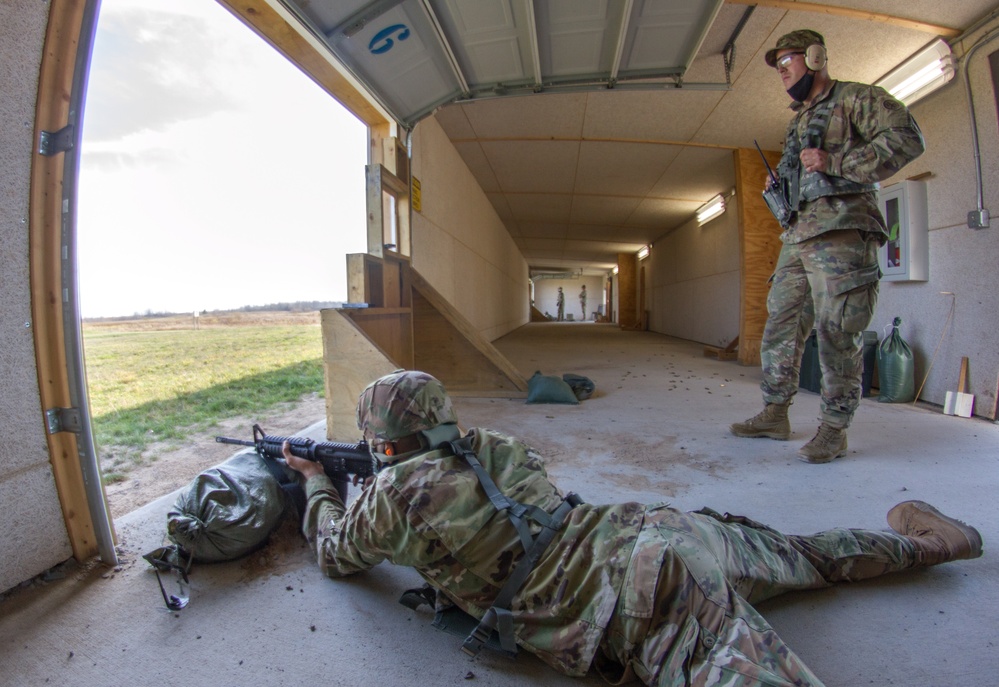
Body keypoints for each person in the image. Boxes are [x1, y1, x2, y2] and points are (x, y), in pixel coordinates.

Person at [283, 369, 982, 687]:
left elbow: (337, 554)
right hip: (655, 528)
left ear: (383, 438)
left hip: (641, 596)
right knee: (802, 554)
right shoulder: (488, 444)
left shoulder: (393, 495)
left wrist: (318, 485)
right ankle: (928, 542)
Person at [731, 29, 925, 463]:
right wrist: (777, 181)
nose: (782, 75)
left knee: (837, 329)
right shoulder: (798, 120)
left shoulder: (857, 99)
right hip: (799, 235)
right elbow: (796, 168)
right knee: (781, 322)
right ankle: (774, 412)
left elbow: (909, 139)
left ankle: (834, 430)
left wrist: (835, 162)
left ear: (815, 57)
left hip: (841, 231)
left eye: (787, 64)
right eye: (777, 69)